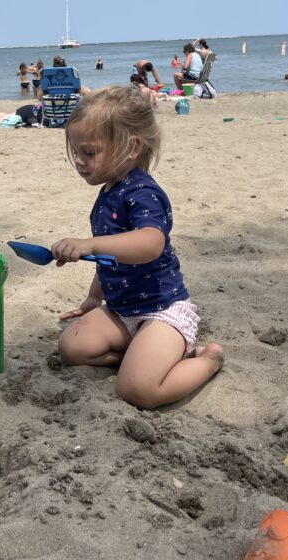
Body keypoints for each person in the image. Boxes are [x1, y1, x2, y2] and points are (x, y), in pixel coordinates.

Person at [52, 86, 223, 409]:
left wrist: (87, 245)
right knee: (72, 349)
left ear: (131, 147)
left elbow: (150, 244)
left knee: (137, 391)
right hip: (122, 309)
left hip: (162, 311)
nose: (79, 161)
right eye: (75, 152)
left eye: (89, 152)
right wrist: (93, 298)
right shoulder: (108, 192)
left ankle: (208, 361)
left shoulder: (143, 192)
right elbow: (110, 258)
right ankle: (142, 355)